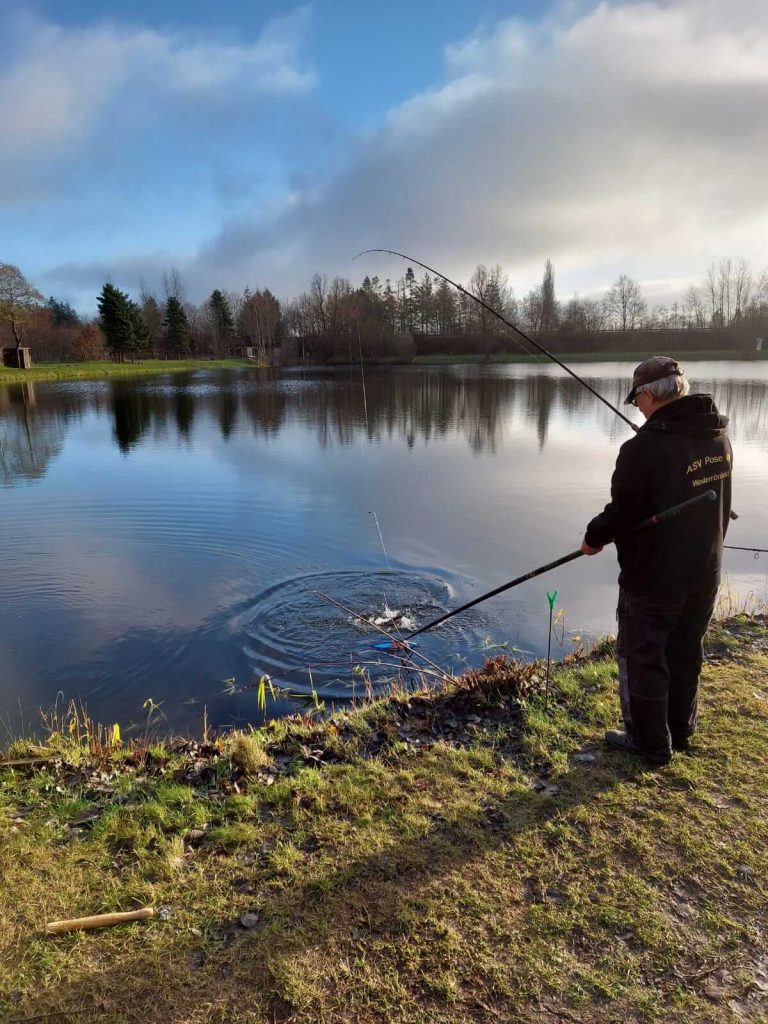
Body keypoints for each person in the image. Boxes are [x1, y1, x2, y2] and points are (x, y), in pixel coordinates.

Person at [581, 356, 732, 765]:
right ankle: (679, 730)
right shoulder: (717, 438)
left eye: (637, 401)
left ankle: (649, 743)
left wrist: (593, 538)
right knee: (685, 650)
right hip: (706, 570)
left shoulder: (642, 449)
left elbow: (622, 513)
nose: (639, 409)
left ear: (648, 394)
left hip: (653, 579)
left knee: (642, 656)